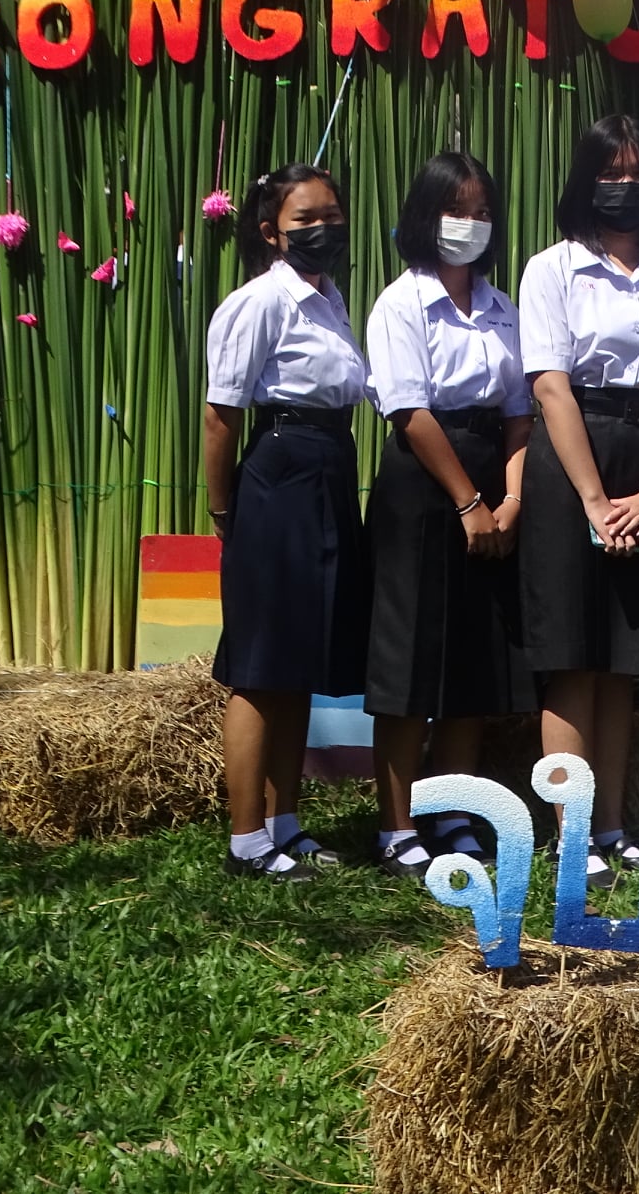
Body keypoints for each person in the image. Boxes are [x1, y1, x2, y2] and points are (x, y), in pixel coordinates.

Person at [518, 115, 639, 891]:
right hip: (573, 465)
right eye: (611, 173)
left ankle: (612, 825)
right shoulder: (552, 270)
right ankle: (574, 839)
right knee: (573, 657)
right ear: (585, 181)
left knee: (621, 663)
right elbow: (549, 386)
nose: (626, 188)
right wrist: (597, 501)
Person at [363, 152, 534, 878]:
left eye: (481, 211)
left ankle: (452, 808)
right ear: (425, 217)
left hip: (495, 472)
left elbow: (520, 411)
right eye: (455, 210)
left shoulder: (504, 309)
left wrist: (512, 498)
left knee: (475, 654)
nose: (469, 224)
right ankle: (397, 823)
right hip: (424, 484)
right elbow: (408, 411)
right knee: (410, 657)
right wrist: (467, 502)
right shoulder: (400, 304)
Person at [202, 164, 371, 880]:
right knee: (262, 663)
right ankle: (246, 839)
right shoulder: (259, 303)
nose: (323, 229)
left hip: (330, 465)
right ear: (272, 232)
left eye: (332, 215)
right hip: (280, 469)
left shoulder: (330, 299)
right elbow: (220, 416)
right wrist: (224, 510)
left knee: (299, 658)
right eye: (305, 219)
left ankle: (284, 821)